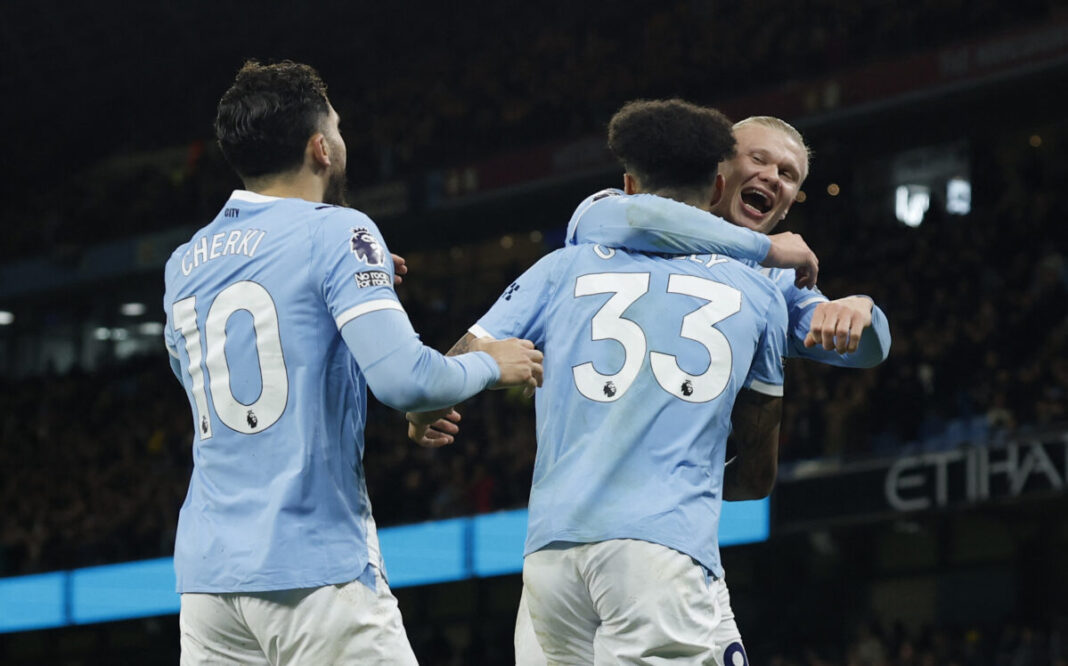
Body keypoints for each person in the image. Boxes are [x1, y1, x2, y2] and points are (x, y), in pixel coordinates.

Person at [162, 60, 543, 665]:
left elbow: (214, 372)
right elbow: (406, 381)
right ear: (320, 148)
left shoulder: (184, 262)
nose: (341, 142)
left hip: (208, 584)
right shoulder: (336, 230)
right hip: (313, 571)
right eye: (337, 129)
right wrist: (490, 362)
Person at [414, 99, 790, 663]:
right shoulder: (760, 292)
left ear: (628, 186)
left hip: (552, 555)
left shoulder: (560, 266)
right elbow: (757, 474)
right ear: (717, 189)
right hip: (661, 551)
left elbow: (447, 369)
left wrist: (423, 413)